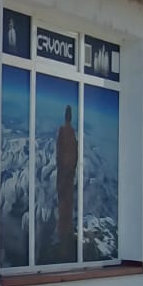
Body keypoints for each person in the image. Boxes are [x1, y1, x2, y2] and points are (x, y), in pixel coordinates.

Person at [55, 104, 78, 255]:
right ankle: (65, 239)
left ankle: (63, 242)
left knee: (64, 207)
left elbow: (59, 155)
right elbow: (74, 155)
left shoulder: (63, 132)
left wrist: (63, 175)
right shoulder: (71, 133)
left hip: (64, 176)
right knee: (67, 207)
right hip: (68, 176)